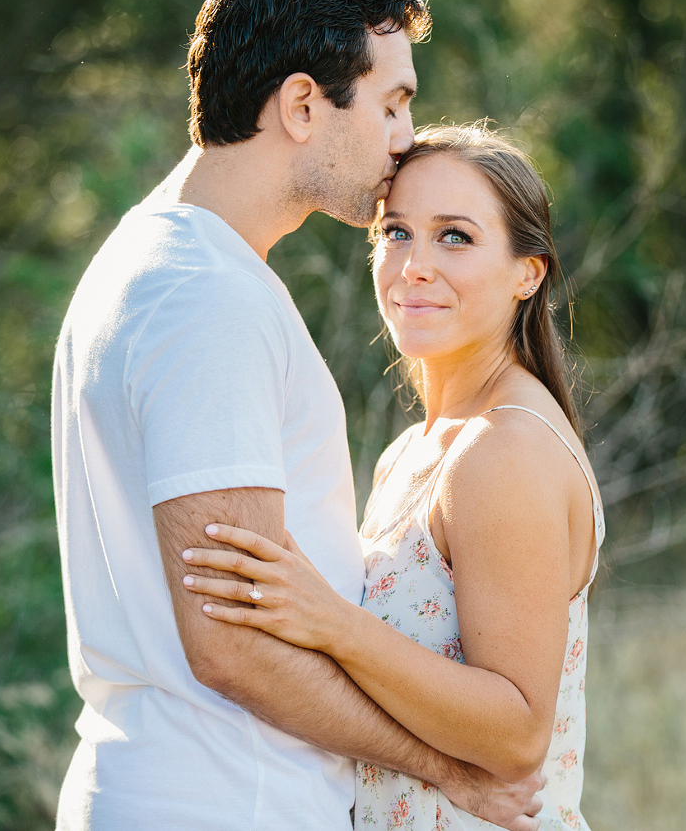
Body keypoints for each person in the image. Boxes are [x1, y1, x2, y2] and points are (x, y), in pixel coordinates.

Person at [51, 0, 541, 829]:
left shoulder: (158, 263)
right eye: (391, 104)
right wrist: (444, 769)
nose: (405, 138)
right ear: (304, 106)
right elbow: (233, 644)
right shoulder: (205, 296)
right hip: (222, 801)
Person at [180, 123, 602, 830]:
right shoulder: (412, 451)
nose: (413, 265)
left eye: (455, 237)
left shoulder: (505, 451)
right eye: (395, 232)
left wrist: (331, 622)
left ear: (527, 273)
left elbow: (519, 730)